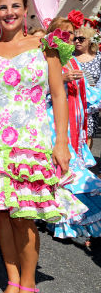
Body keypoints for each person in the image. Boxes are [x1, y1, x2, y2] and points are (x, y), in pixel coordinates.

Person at [0, 0, 86, 293]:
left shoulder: (45, 44)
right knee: (3, 214)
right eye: (3, 7)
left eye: (15, 6)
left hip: (32, 141)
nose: (9, 12)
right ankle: (13, 279)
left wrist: (62, 142)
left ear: (25, 9)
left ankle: (29, 284)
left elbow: (59, 95)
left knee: (25, 215)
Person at [44, 17, 101, 244]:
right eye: (63, 33)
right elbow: (33, 91)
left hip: (72, 127)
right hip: (50, 124)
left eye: (70, 34)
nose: (67, 38)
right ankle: (56, 219)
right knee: (61, 172)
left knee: (67, 172)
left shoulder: (73, 61)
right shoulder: (46, 57)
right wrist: (60, 79)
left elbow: (89, 95)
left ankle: (65, 220)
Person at [73, 24, 101, 147]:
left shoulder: (98, 58)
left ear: (90, 40)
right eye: (75, 38)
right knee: (73, 133)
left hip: (91, 103)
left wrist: (97, 98)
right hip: (72, 100)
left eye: (81, 39)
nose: (77, 41)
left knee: (87, 135)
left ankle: (85, 163)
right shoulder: (70, 56)